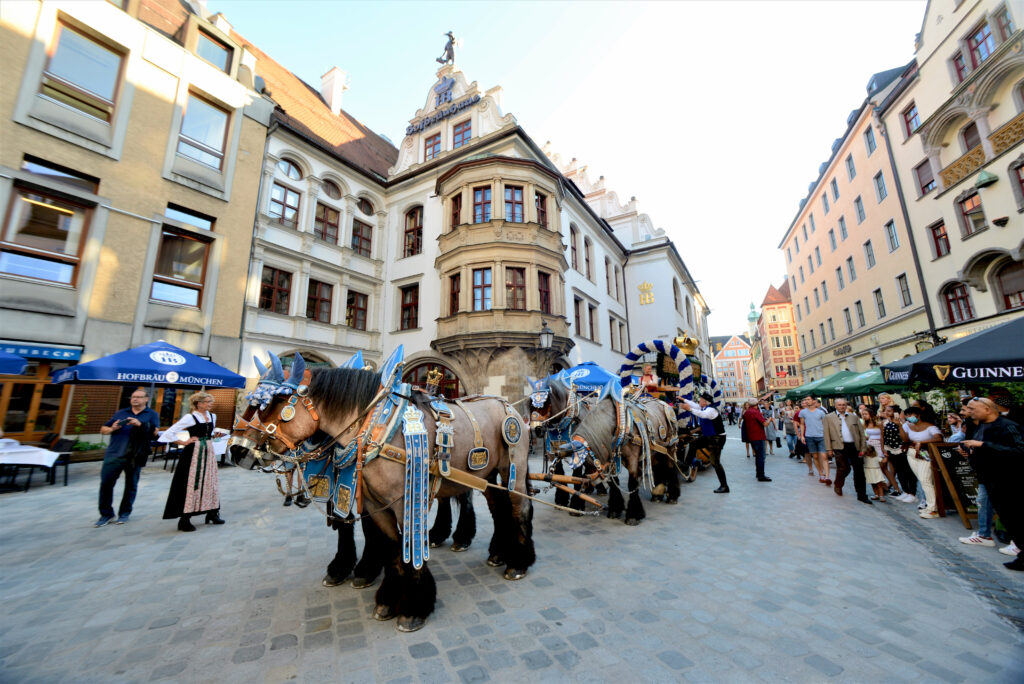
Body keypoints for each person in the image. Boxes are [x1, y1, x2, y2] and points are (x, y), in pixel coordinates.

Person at [961, 397, 1024, 570]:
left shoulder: (1007, 426)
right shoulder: (980, 426)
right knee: (1008, 518)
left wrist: (983, 445)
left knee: (1016, 517)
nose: (969, 412)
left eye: (973, 409)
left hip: (1008, 480)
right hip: (988, 478)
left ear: (988, 409)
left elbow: (1019, 450)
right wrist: (969, 449)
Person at [159, 392, 227, 531]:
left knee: (210, 481)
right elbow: (168, 433)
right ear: (199, 403)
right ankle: (185, 519)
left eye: (210, 401)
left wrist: (215, 435)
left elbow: (209, 433)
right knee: (190, 483)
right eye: (208, 401)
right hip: (194, 454)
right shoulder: (190, 417)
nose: (210, 403)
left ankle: (212, 513)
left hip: (208, 452)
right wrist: (184, 442)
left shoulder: (212, 416)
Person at [95, 388, 160, 527]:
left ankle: (125, 513)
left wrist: (140, 424)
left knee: (131, 485)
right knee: (106, 484)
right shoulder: (121, 412)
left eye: (138, 397)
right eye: (133, 397)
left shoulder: (151, 414)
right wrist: (112, 428)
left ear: (146, 399)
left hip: (135, 455)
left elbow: (155, 433)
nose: (135, 399)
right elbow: (103, 429)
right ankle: (106, 514)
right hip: (114, 453)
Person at [824, 398, 870, 504]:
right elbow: (826, 434)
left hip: (854, 446)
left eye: (844, 405)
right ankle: (838, 484)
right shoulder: (828, 417)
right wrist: (829, 449)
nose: (842, 407)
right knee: (844, 468)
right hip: (839, 446)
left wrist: (863, 447)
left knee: (859, 471)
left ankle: (862, 495)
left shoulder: (853, 417)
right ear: (835, 406)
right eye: (839, 405)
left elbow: (861, 433)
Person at [901, 405, 943, 519]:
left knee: (926, 480)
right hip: (912, 453)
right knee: (922, 479)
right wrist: (899, 425)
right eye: (907, 416)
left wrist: (922, 442)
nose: (909, 418)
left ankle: (933, 508)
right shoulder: (906, 425)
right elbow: (904, 439)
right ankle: (930, 505)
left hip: (925, 454)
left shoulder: (930, 427)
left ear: (918, 415)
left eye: (911, 415)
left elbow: (939, 438)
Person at [682, 393, 730, 493]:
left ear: (705, 402)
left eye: (701, 399)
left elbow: (702, 414)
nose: (699, 401)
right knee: (693, 444)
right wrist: (683, 399)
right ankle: (686, 465)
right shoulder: (703, 407)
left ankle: (724, 486)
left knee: (715, 463)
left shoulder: (711, 410)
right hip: (709, 436)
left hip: (717, 438)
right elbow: (693, 405)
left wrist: (689, 409)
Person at [881, 405, 916, 503]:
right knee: (899, 471)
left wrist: (899, 424)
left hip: (901, 449)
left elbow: (905, 437)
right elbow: (883, 437)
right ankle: (905, 491)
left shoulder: (903, 422)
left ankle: (912, 493)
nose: (887, 413)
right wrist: (884, 449)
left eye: (889, 411)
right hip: (891, 449)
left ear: (896, 412)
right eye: (886, 411)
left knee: (907, 471)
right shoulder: (885, 422)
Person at [798, 397, 830, 485]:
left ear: (813, 401)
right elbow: (802, 424)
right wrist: (802, 435)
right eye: (805, 400)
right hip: (809, 436)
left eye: (808, 399)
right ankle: (821, 474)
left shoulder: (821, 412)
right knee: (815, 456)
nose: (806, 401)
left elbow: (825, 424)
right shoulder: (803, 412)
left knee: (824, 456)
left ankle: (827, 477)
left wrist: (827, 435)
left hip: (821, 436)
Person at [859, 405, 888, 502]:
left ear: (871, 415)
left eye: (866, 414)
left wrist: (883, 450)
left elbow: (882, 438)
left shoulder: (879, 424)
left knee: (878, 470)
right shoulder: (864, 425)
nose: (864, 416)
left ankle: (883, 491)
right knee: (870, 470)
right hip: (869, 448)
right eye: (863, 414)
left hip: (878, 447)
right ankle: (876, 493)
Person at [741, 401, 772, 482]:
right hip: (759, 436)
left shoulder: (746, 412)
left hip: (751, 437)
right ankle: (761, 475)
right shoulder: (755, 412)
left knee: (758, 456)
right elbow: (765, 424)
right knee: (761, 456)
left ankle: (758, 474)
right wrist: (769, 420)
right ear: (756, 405)